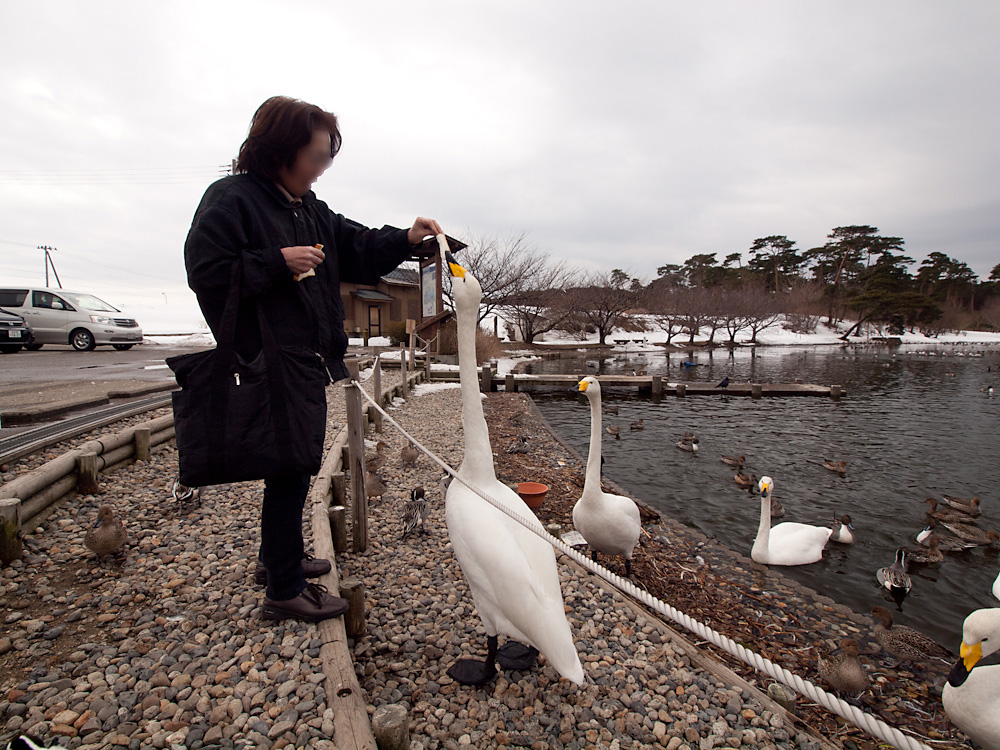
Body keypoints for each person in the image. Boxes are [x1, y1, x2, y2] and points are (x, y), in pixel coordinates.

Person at [184, 96, 442, 622]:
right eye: (317, 156)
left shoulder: (309, 209)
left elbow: (358, 244)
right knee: (291, 464)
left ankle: (275, 559)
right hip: (268, 356)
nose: (322, 168)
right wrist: (275, 263)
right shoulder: (232, 199)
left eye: (328, 158)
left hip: (303, 356)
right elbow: (205, 270)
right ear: (281, 150)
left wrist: (408, 238)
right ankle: (282, 587)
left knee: (293, 466)